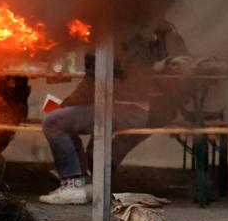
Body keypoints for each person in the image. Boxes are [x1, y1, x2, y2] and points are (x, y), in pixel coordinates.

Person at [39, 24, 190, 205]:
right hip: (133, 111)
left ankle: (73, 184)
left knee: (53, 123)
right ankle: (83, 181)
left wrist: (64, 107)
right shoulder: (132, 38)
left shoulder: (109, 41)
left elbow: (91, 86)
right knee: (66, 122)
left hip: (124, 110)